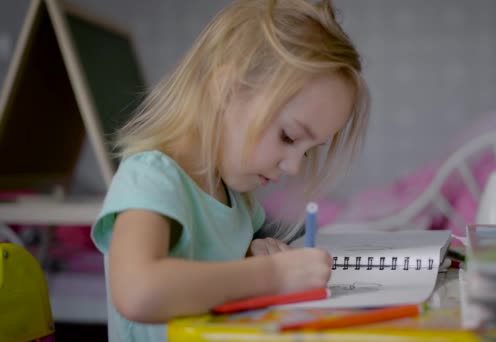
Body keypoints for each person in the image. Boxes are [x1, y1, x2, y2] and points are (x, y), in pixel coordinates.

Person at [91, 0, 369, 340]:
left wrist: (250, 258)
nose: (294, 166)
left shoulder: (238, 200)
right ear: (226, 91)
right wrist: (270, 275)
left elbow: (209, 281)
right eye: (289, 136)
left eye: (308, 152)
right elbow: (138, 292)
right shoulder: (151, 178)